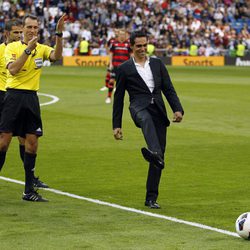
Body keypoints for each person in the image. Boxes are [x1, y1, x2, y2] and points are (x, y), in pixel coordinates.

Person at [112, 31, 184, 209]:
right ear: (131, 46)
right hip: (138, 108)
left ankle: (151, 198)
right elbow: (119, 99)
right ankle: (154, 152)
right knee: (146, 123)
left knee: (158, 156)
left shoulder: (158, 64)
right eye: (139, 46)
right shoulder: (124, 69)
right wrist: (117, 125)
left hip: (159, 110)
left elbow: (169, 88)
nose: (143, 49)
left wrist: (177, 109)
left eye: (145, 45)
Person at [0, 13, 66, 202]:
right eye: (29, 27)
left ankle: (29, 190)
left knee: (32, 143)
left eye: (35, 28)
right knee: (4, 141)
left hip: (31, 98)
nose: (32, 31)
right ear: (23, 29)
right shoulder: (11, 47)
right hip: (13, 96)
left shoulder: (42, 48)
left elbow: (57, 55)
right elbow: (13, 69)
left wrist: (59, 34)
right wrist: (28, 50)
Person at [0, 18, 49, 189]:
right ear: (7, 33)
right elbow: (12, 69)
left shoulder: (30, 48)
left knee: (26, 139)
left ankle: (30, 180)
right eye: (15, 32)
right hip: (6, 96)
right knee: (4, 140)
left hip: (20, 96)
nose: (18, 34)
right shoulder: (5, 49)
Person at [105, 29, 131, 104]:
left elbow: (131, 55)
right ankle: (109, 97)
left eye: (123, 34)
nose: (122, 36)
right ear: (119, 35)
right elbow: (111, 54)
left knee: (128, 83)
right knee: (111, 81)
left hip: (125, 67)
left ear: (125, 35)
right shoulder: (114, 43)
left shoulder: (128, 44)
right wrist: (110, 64)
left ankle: (132, 98)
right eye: (121, 34)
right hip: (116, 66)